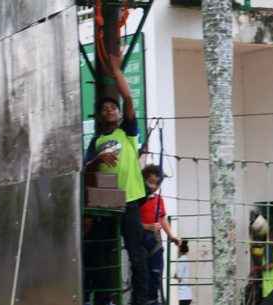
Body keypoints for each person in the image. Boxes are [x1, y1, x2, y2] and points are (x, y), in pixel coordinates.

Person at [85, 54, 148, 305]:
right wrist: (98, 159)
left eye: (113, 107)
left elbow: (130, 99)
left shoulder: (127, 132)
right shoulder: (96, 142)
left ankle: (141, 300)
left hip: (130, 198)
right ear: (100, 116)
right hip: (106, 200)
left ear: (119, 114)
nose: (109, 109)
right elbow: (86, 170)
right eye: (105, 108)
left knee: (136, 253)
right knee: (101, 250)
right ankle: (103, 298)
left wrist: (116, 71)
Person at [140, 164, 181, 305]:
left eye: (157, 183)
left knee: (156, 273)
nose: (153, 186)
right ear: (143, 180)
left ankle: (154, 300)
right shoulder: (137, 199)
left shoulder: (158, 200)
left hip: (155, 241)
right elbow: (129, 222)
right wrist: (146, 226)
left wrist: (171, 235)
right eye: (150, 182)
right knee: (142, 275)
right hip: (140, 240)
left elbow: (162, 218)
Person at [173, 241, 192, 305]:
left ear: (180, 250)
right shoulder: (187, 259)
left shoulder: (181, 260)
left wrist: (175, 275)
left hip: (183, 294)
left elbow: (179, 277)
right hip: (187, 294)